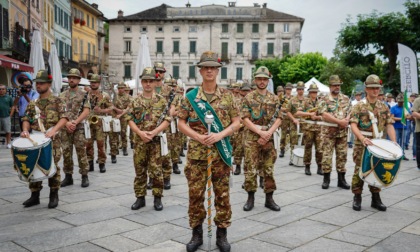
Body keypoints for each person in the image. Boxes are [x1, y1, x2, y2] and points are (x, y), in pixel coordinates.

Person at [178, 51, 240, 252]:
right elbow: (181, 123)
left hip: (220, 156)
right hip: (197, 155)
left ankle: (222, 235)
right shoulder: (191, 97)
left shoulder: (228, 97)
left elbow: (237, 122)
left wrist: (220, 135)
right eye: (206, 67)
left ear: (217, 71)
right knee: (195, 196)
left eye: (213, 67)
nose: (209, 70)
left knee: (222, 196)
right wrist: (198, 137)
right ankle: (196, 235)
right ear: (201, 70)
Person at [19, 70, 68, 208]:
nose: (38, 85)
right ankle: (35, 195)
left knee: (52, 166)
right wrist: (24, 130)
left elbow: (64, 117)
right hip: (35, 138)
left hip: (52, 140)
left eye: (41, 83)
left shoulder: (58, 100)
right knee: (33, 165)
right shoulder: (33, 103)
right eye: (37, 83)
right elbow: (26, 118)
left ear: (49, 83)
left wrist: (54, 130)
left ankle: (54, 194)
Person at [126, 67, 170, 211]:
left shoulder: (162, 101)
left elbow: (167, 120)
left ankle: (157, 198)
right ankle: (140, 198)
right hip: (140, 142)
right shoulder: (135, 101)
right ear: (142, 82)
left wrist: (153, 132)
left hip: (156, 142)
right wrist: (140, 133)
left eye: (151, 81)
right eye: (145, 81)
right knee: (140, 171)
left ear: (155, 82)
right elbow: (129, 119)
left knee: (157, 171)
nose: (148, 84)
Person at [350, 74, 396, 211]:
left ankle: (376, 198)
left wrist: (393, 142)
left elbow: (389, 125)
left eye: (377, 88)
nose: (376, 91)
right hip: (362, 142)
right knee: (360, 169)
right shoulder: (359, 106)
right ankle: (357, 196)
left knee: (377, 169)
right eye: (372, 88)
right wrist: (362, 139)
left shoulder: (384, 107)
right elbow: (353, 125)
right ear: (366, 89)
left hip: (378, 143)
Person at [241, 66, 282, 213]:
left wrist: (268, 133)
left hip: (269, 137)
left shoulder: (275, 98)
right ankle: (250, 198)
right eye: (259, 79)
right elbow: (244, 118)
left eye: (265, 79)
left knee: (269, 169)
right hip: (252, 137)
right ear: (255, 80)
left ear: (268, 80)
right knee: (250, 169)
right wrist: (259, 131)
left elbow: (279, 118)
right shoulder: (248, 98)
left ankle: (269, 199)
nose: (262, 81)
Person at [317, 75, 351, 190]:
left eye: (338, 85)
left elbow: (351, 111)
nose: (337, 87)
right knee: (327, 156)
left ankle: (341, 180)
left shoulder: (345, 98)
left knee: (342, 156)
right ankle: (326, 179)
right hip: (328, 133)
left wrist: (347, 119)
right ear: (330, 86)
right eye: (334, 85)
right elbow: (324, 114)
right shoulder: (324, 99)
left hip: (342, 133)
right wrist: (339, 121)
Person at [59, 69, 91, 188]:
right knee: (66, 153)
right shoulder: (62, 95)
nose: (71, 79)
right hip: (65, 128)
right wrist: (67, 123)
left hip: (79, 128)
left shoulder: (84, 94)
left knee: (81, 152)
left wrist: (76, 122)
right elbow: (60, 111)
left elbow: (86, 110)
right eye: (70, 77)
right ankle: (68, 176)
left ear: (78, 80)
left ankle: (84, 176)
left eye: (74, 78)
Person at [86, 74, 114, 172]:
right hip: (88, 123)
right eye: (92, 82)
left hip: (100, 124)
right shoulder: (86, 95)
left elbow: (111, 108)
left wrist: (101, 111)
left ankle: (102, 163)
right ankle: (90, 163)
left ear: (99, 83)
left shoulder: (104, 95)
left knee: (101, 144)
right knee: (88, 144)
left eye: (95, 82)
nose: (93, 84)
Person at [296, 83, 323, 175]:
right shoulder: (305, 102)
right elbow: (298, 113)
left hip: (319, 128)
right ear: (309, 92)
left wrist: (318, 117)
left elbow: (324, 114)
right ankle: (307, 166)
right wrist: (309, 114)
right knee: (308, 148)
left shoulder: (320, 102)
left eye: (315, 92)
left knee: (320, 149)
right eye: (312, 92)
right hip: (308, 128)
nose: (314, 94)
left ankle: (320, 167)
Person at [286, 81, 306, 165]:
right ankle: (292, 158)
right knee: (293, 141)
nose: (300, 91)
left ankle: (303, 159)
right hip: (294, 124)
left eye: (302, 89)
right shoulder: (292, 100)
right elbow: (288, 111)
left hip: (304, 124)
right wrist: (293, 119)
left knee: (304, 142)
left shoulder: (307, 100)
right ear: (297, 90)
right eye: (299, 89)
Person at [113, 82, 132, 156]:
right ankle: (116, 148)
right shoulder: (115, 96)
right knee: (115, 133)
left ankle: (124, 148)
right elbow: (112, 106)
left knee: (123, 132)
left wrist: (121, 114)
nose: (120, 89)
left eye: (121, 88)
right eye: (119, 88)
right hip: (116, 116)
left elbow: (128, 108)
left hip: (124, 117)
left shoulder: (128, 97)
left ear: (124, 88)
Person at [390, 93, 410, 160]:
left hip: (404, 126)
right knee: (396, 141)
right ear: (397, 101)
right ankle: (396, 154)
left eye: (402, 102)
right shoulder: (393, 108)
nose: (400, 103)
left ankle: (402, 154)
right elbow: (392, 117)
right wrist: (401, 119)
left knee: (403, 142)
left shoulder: (405, 108)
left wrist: (406, 117)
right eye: (399, 102)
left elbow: (409, 116)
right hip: (396, 127)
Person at [279, 83, 294, 157]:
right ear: (285, 89)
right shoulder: (282, 98)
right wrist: (285, 109)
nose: (289, 90)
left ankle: (292, 151)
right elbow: (278, 107)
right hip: (284, 117)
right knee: (283, 134)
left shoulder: (293, 98)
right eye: (287, 89)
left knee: (292, 135)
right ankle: (282, 149)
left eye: (290, 89)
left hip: (291, 117)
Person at [0, 84, 13, 148]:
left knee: (8, 131)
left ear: (5, 90)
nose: (1, 90)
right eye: (0, 89)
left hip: (6, 116)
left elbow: (13, 106)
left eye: (3, 89)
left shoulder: (9, 98)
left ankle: (8, 143)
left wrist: (11, 114)